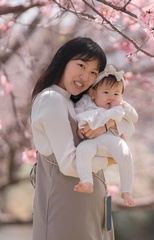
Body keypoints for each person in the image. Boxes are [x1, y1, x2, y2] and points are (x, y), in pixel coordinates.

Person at [31, 37, 117, 240]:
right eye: (81, 65)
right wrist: (111, 160)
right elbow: (69, 164)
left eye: (94, 72)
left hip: (89, 212)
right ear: (63, 60)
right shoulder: (51, 99)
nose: (85, 76)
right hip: (67, 214)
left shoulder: (75, 104)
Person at [74, 64, 138, 207]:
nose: (111, 97)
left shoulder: (119, 106)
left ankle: (127, 190)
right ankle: (87, 182)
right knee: (82, 151)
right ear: (93, 92)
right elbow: (77, 114)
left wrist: (122, 106)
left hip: (111, 140)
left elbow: (134, 117)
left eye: (116, 94)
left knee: (125, 154)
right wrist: (81, 127)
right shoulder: (86, 102)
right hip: (91, 140)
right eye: (106, 92)